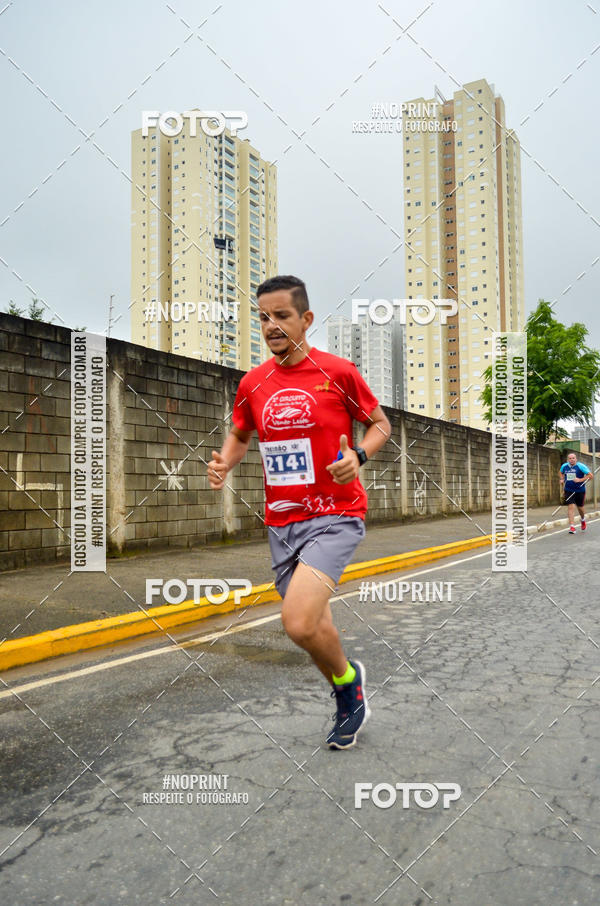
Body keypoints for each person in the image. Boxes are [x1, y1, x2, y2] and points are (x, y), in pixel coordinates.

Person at [207, 275, 391, 749]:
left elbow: (379, 424)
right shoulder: (252, 383)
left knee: (299, 622)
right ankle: (348, 685)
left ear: (306, 319)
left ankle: (348, 688)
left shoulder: (338, 371)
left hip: (336, 514)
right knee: (315, 625)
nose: (271, 325)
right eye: (263, 317)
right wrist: (226, 459)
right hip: (282, 523)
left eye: (281, 315)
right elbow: (241, 434)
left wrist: (360, 456)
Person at [559, 451, 593, 534]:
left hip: (579, 490)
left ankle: (583, 519)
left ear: (576, 459)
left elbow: (590, 476)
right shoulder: (564, 466)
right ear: (568, 460)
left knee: (580, 508)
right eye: (570, 458)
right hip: (569, 490)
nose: (571, 460)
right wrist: (562, 478)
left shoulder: (581, 466)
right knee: (571, 507)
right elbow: (561, 472)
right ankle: (572, 527)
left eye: (573, 458)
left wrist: (580, 480)